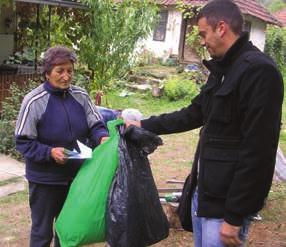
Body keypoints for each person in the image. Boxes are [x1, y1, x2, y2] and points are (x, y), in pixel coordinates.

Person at [125, 0, 284, 246]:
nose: (201, 41)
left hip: (226, 206)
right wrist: (143, 124)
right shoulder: (223, 70)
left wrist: (235, 215)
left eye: (202, 33)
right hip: (205, 193)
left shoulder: (259, 72)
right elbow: (194, 113)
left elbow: (259, 153)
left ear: (221, 28)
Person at [15, 46, 109, 247]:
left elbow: (96, 124)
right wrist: (49, 152)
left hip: (77, 177)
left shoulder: (81, 96)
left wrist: (102, 137)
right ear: (47, 73)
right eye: (60, 71)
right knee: (42, 233)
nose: (66, 76)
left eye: (70, 70)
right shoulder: (34, 101)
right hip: (45, 180)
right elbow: (23, 141)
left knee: (68, 230)